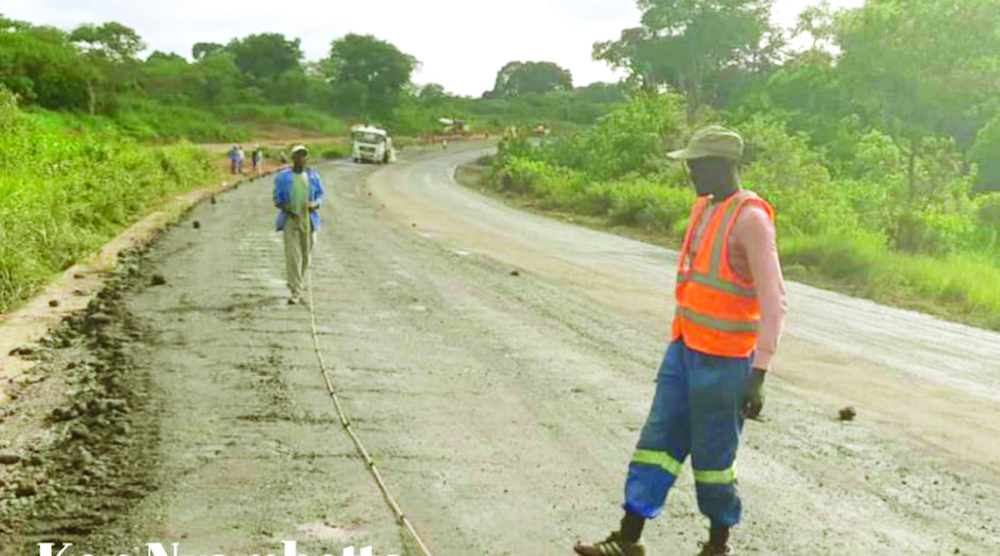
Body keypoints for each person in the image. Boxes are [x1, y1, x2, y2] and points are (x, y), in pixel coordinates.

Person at [574, 125, 788, 556]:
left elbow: (775, 302)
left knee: (713, 463)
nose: (690, 171)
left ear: (724, 166)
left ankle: (717, 545)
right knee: (656, 445)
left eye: (697, 163)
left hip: (726, 364)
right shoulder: (705, 208)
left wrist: (759, 372)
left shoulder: (751, 219)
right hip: (685, 350)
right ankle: (628, 539)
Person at [272, 145, 324, 305]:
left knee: (306, 255)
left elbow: (320, 195)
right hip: (290, 219)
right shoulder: (283, 178)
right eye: (298, 156)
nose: (301, 159)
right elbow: (277, 199)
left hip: (309, 219)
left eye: (304, 156)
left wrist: (315, 204)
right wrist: (288, 209)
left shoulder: (313, 176)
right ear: (293, 158)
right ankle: (296, 290)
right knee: (292, 256)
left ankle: (298, 282)